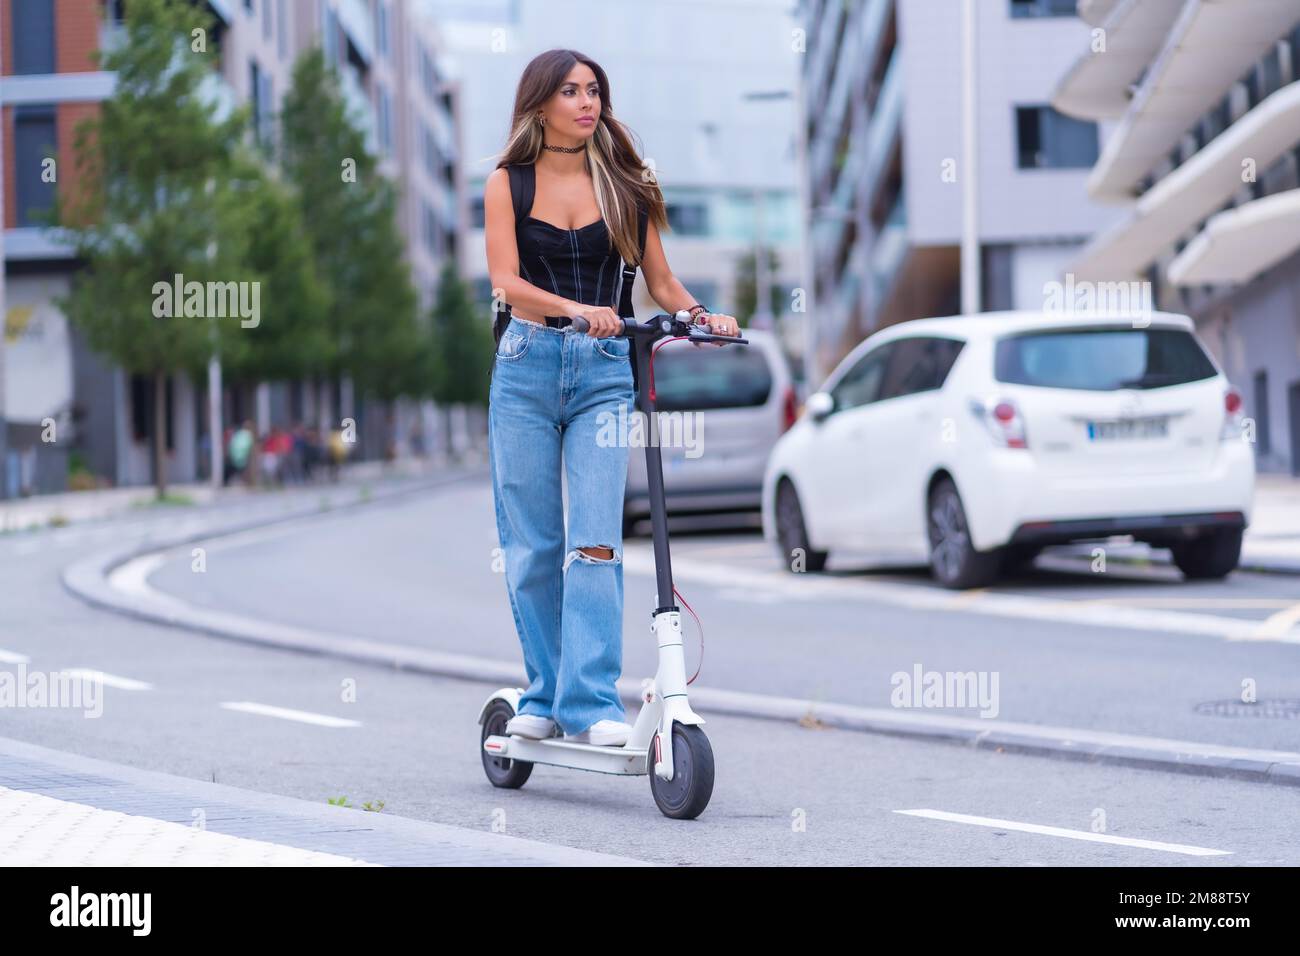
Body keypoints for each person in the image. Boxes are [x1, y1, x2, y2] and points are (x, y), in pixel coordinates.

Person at [484, 49, 740, 748]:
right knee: (534, 546)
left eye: (593, 90)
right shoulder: (508, 183)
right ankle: (543, 691)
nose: (586, 102)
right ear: (540, 104)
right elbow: (505, 282)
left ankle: (591, 701)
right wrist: (573, 307)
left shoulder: (627, 183)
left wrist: (701, 315)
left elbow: (661, 282)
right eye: (570, 91)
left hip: (603, 375)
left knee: (594, 543)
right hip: (525, 368)